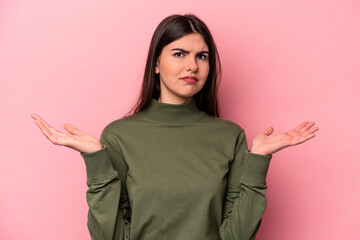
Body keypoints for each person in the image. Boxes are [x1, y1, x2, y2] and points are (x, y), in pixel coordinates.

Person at [31, 14, 319, 240]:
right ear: (156, 63)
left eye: (201, 56)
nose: (192, 66)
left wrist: (258, 161)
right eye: (179, 54)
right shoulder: (119, 136)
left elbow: (236, 236)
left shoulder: (229, 136)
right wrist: (96, 159)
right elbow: (111, 236)